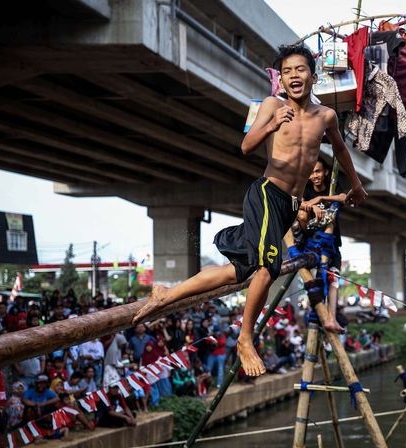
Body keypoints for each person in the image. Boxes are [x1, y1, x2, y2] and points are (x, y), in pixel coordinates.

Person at [131, 44, 367, 378]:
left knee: (238, 271)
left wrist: (356, 185)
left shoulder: (325, 116)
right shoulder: (272, 104)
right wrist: (271, 125)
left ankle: (166, 294)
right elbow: (246, 146)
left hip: (289, 205)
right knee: (267, 267)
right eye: (287, 72)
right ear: (280, 80)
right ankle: (245, 338)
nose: (294, 76)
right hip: (268, 192)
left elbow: (340, 149)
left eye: (300, 70)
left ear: (313, 77)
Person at [298, 157, 347, 333]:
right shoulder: (306, 188)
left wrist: (320, 198)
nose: (314, 176)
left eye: (318, 171)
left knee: (333, 280)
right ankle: (320, 315)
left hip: (331, 242)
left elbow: (343, 197)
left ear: (325, 172)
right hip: (312, 241)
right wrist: (312, 207)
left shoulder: (333, 186)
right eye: (311, 172)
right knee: (315, 282)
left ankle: (331, 318)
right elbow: (298, 205)